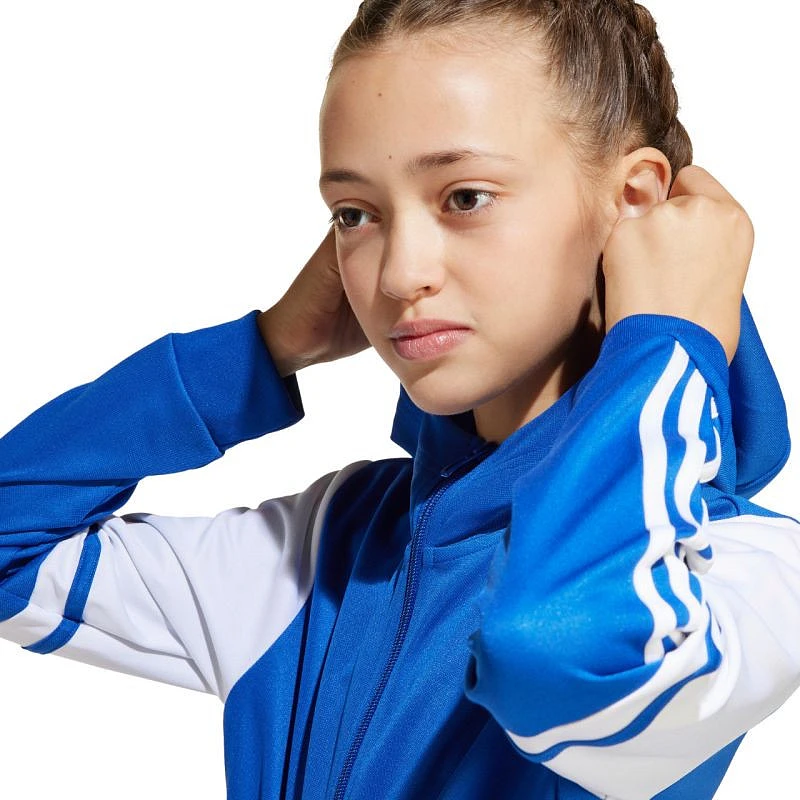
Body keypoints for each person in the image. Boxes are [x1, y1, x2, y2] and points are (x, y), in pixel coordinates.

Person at [1, 1, 799, 798]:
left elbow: (561, 659)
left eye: (465, 197)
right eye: (356, 214)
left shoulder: (742, 574)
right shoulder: (326, 551)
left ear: (634, 202)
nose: (397, 273)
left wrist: (664, 341)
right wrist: (266, 348)